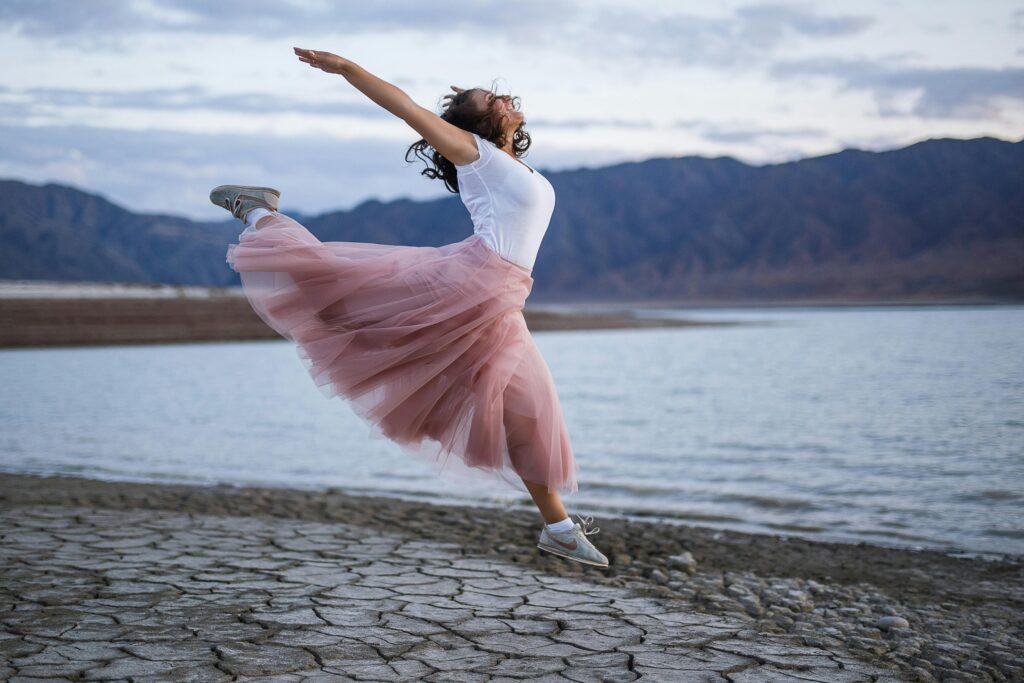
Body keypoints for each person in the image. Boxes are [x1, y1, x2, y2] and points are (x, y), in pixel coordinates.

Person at [210, 47, 608, 568]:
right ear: (476, 121)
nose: (503, 95)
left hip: (502, 298)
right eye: (489, 97)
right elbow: (405, 108)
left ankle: (556, 528)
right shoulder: (475, 153)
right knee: (336, 295)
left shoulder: (514, 165)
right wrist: (348, 70)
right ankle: (256, 210)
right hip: (470, 282)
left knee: (529, 410)